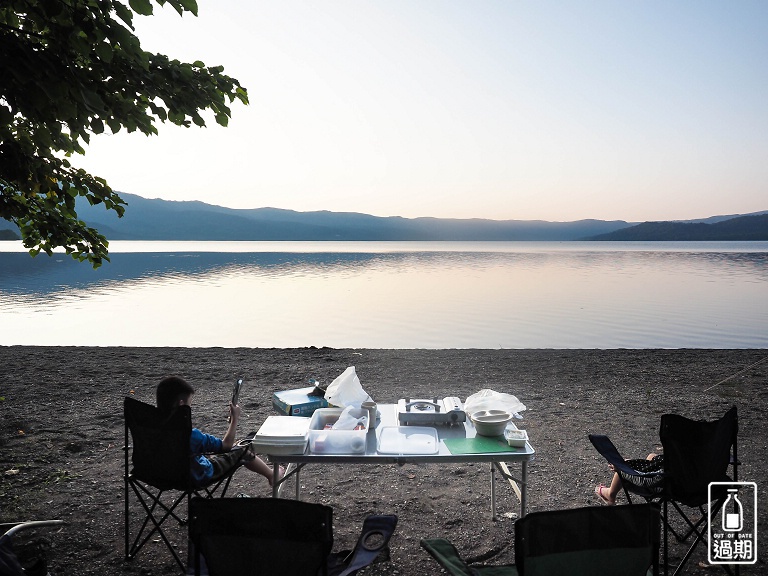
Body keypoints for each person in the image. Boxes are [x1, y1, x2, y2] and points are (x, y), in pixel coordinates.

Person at [156, 375, 282, 489]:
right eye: (190, 404)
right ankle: (272, 475)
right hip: (195, 476)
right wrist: (234, 419)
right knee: (240, 449)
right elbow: (226, 446)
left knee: (222, 449)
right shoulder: (190, 435)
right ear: (181, 404)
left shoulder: (151, 427)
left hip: (158, 475)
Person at [594, 452, 664, 505]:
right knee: (651, 456)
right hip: (670, 480)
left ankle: (610, 494)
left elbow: (648, 482)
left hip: (659, 487)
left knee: (624, 465)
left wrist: (622, 470)